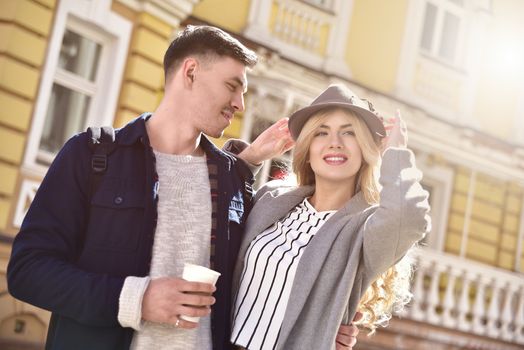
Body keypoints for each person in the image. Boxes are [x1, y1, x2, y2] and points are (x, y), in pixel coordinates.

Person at [7, 25, 358, 350]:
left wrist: (321, 325)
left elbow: (259, 280)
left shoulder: (231, 180)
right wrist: (137, 299)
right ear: (190, 72)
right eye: (232, 86)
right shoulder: (92, 155)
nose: (240, 104)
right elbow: (29, 272)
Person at [230, 84, 431, 349]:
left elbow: (409, 219)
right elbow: (217, 226)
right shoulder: (271, 197)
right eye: (321, 132)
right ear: (308, 150)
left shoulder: (365, 230)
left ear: (364, 151)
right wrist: (251, 157)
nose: (334, 142)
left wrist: (396, 155)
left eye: (349, 133)